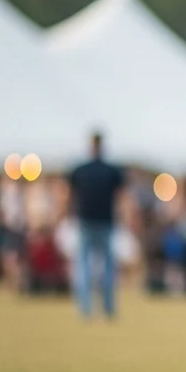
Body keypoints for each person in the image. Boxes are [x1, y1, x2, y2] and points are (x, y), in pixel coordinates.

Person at [68, 132, 125, 320]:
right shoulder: (111, 170)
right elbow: (121, 197)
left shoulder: (80, 170)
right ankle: (107, 307)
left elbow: (69, 195)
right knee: (107, 266)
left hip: (86, 221)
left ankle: (85, 308)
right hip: (104, 221)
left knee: (84, 265)